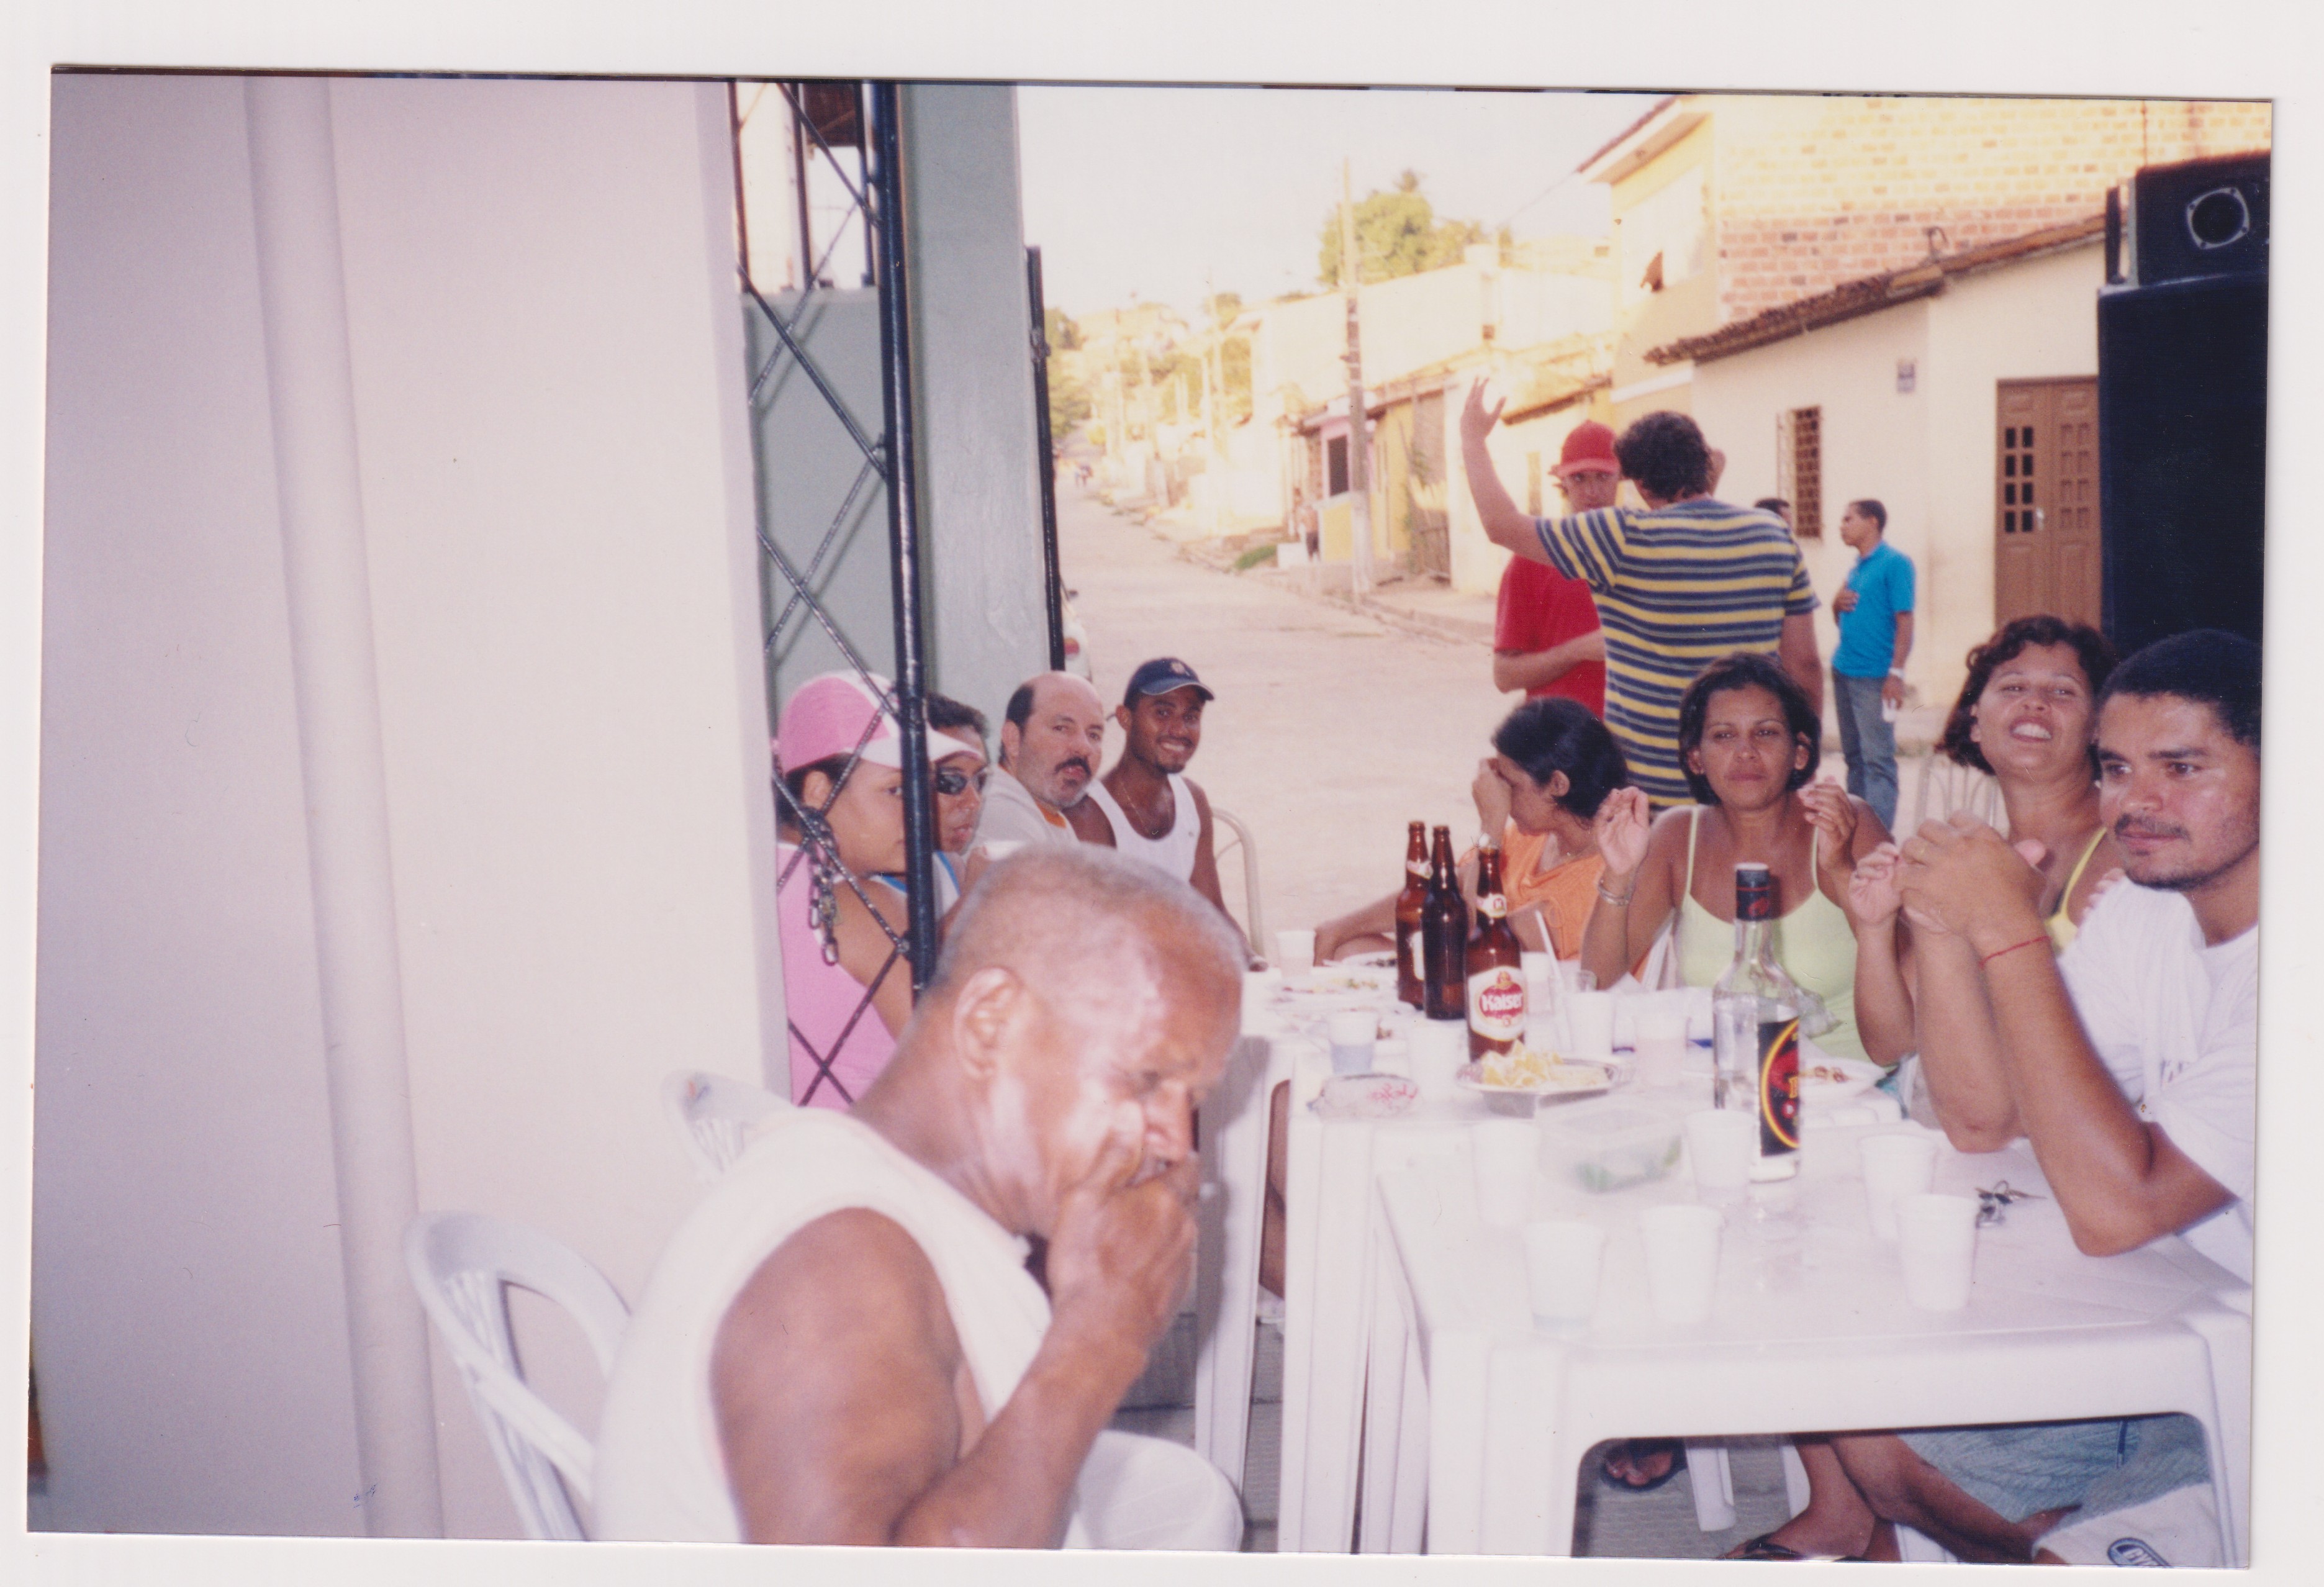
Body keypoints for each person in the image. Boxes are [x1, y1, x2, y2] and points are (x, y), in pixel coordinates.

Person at [1732, 630, 2256, 1567]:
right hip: (2150, 1312)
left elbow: (2115, 1209)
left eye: (2182, 767)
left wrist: (2008, 923)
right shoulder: (2147, 911)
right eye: (2117, 768)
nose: (2136, 802)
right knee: (1862, 1423)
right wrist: (1939, 926)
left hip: (2265, 1364)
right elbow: (1979, 1119)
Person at [593, 848, 1243, 1547]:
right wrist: (1102, 1334)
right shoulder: (840, 1262)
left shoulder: (900, 1204)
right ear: (990, 1022)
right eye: (1145, 1079)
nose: (1176, 1140)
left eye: (1193, 1099)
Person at [1462, 385, 1822, 807]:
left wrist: (1472, 440)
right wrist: (1802, 759)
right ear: (1702, 466)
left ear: (1636, 482)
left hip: (1650, 797)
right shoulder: (1771, 533)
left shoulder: (1621, 537)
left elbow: (1500, 525)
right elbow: (1804, 663)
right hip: (1748, 787)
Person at [1580, 651, 1887, 1064]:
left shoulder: (1845, 824)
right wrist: (1618, 874)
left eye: (1765, 733)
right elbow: (1597, 980)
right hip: (1729, 1083)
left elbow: (1907, 972)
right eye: (1723, 735)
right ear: (1696, 758)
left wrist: (1841, 869)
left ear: (1798, 752)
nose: (1745, 752)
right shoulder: (1676, 837)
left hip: (1850, 1090)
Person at [1850, 616, 2120, 1074]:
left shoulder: (2125, 848)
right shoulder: (1972, 859)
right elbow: (1890, 1042)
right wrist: (1875, 929)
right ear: (1974, 722)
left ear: (2097, 727)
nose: (2034, 703)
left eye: (2062, 692)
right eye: (2012, 688)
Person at [1312, 697, 1629, 963]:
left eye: (1511, 784)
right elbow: (1445, 891)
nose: (1501, 795)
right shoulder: (1535, 837)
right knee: (1346, 949)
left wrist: (1490, 825)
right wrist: (1339, 928)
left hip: (1515, 1008)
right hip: (1470, 981)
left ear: (1558, 785)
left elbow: (1474, 947)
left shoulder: (1599, 874)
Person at [771, 672, 915, 1109]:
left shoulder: (754, 875)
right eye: (895, 790)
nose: (919, 811)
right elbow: (951, 1064)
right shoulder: (862, 904)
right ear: (818, 791)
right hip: (868, 1162)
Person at [1069, 658, 1242, 942]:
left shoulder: (1192, 799)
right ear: (1125, 718)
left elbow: (1212, 911)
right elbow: (1109, 936)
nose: (1179, 729)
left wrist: (1252, 961)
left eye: (1191, 717)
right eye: (1162, 713)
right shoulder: (1091, 814)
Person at [1491, 423, 1611, 714]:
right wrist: (1579, 650)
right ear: (1563, 482)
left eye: (1603, 477)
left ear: (1622, 477)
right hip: (1558, 745)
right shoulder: (1531, 559)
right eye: (1580, 478)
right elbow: (1505, 676)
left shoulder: (1645, 546)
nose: (1592, 492)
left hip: (1635, 745)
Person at [1829, 499, 1915, 830]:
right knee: (1854, 759)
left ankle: (1877, 838)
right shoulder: (1857, 567)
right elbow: (1844, 619)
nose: (1842, 525)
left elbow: (1905, 621)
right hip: (1843, 670)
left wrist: (1896, 673)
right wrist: (1836, 604)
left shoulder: (1895, 564)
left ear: (1873, 522)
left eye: (1848, 519)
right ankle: (1855, 830)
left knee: (1877, 760)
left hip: (1874, 677)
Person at [972, 671, 1107, 852]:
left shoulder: (1045, 812)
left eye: (1094, 735)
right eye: (1061, 729)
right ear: (1013, 739)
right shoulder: (1002, 812)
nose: (1084, 748)